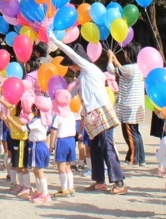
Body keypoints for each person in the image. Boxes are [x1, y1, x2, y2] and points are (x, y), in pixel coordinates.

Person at [48, 36, 127, 194]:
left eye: (70, 64)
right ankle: (99, 181)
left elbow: (71, 52)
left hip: (101, 111)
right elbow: (73, 94)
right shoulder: (82, 76)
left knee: (107, 147)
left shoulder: (89, 68)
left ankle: (119, 183)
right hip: (91, 115)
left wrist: (54, 40)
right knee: (96, 148)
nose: (70, 67)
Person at [109, 44, 145, 166]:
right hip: (137, 107)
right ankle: (140, 158)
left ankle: (133, 158)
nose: (124, 55)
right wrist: (115, 60)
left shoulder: (129, 68)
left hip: (129, 108)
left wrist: (109, 59)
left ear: (130, 54)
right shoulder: (139, 67)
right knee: (136, 133)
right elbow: (123, 71)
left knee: (129, 133)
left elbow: (111, 70)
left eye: (126, 52)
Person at [50, 89, 77, 197]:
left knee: (61, 167)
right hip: (71, 140)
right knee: (68, 167)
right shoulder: (72, 114)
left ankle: (64, 189)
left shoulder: (58, 116)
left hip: (62, 141)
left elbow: (53, 131)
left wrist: (51, 144)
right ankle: (71, 188)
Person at [27, 95, 53, 204]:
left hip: (37, 145)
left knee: (39, 170)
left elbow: (25, 128)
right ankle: (39, 191)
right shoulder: (44, 119)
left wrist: (9, 120)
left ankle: (45, 194)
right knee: (36, 170)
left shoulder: (37, 120)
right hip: (39, 145)